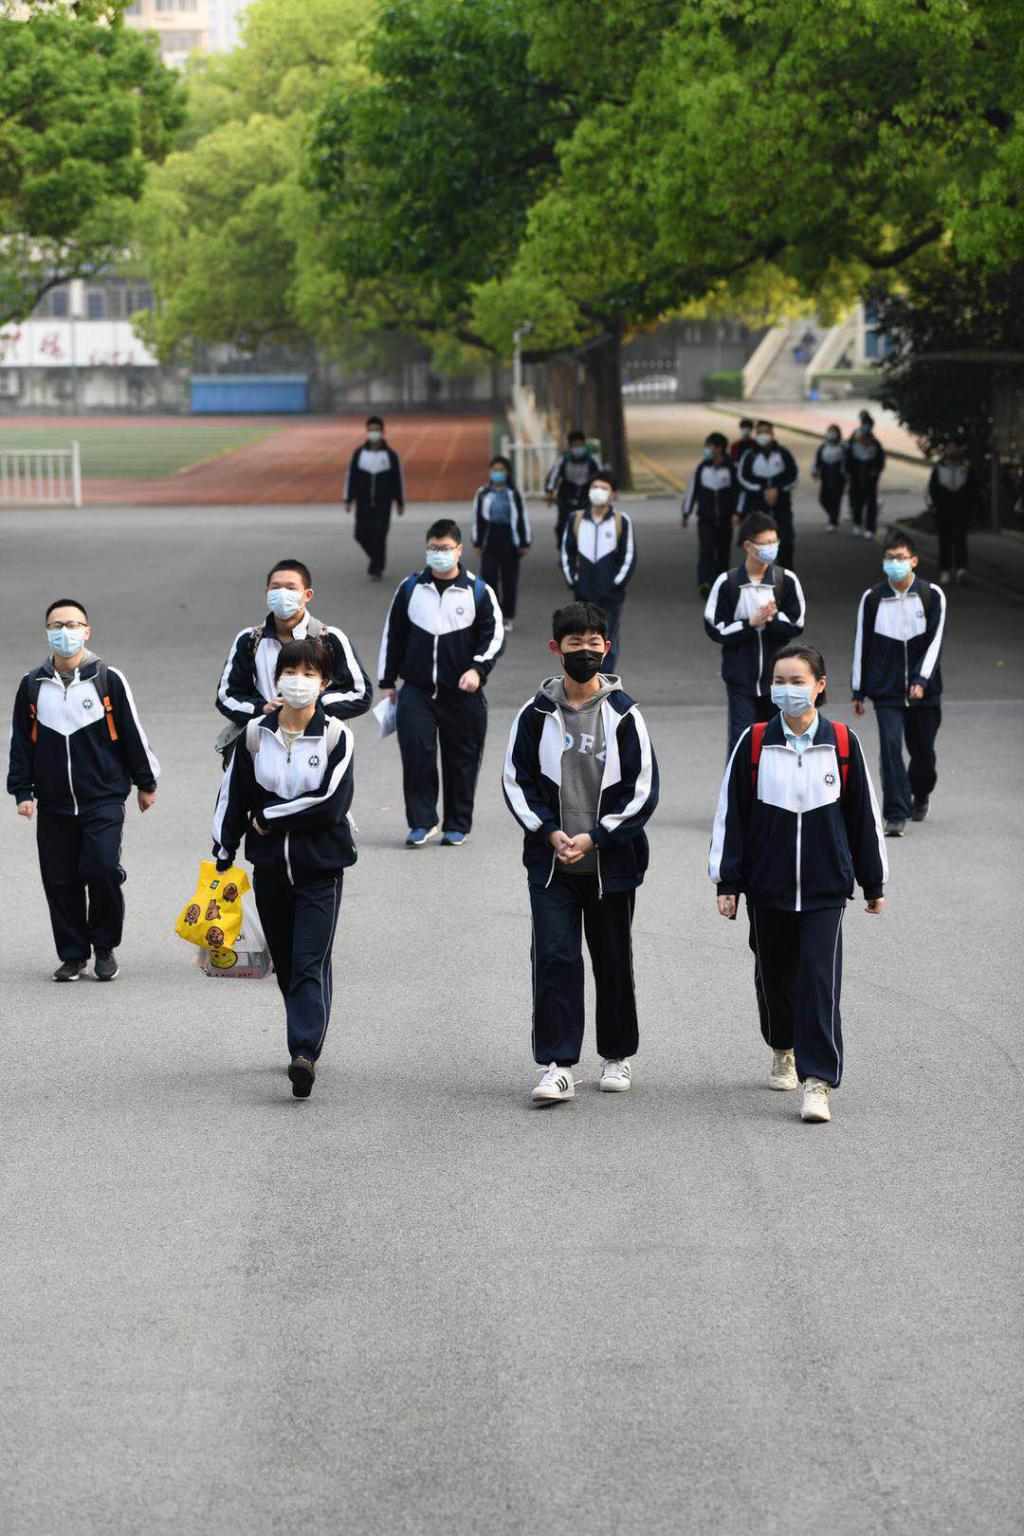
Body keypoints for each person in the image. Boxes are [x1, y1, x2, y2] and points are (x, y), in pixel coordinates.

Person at [709, 642, 887, 1124]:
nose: (787, 690)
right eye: (780, 681)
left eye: (797, 681)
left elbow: (863, 820)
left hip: (827, 889)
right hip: (768, 887)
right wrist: (728, 882)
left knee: (819, 981)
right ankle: (781, 1046)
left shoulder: (843, 744)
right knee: (775, 978)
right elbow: (732, 818)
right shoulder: (753, 743)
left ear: (820, 685)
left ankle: (817, 1080)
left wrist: (873, 882)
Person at [502, 601, 659, 1104]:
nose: (585, 653)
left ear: (606, 648)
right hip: (552, 864)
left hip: (609, 863)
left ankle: (617, 1054)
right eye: (575, 645)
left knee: (613, 960)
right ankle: (558, 1063)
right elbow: (515, 780)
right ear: (556, 649)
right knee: (553, 959)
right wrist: (550, 833)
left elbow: (643, 789)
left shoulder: (625, 714)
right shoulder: (535, 714)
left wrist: (596, 836)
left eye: (594, 645)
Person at [213, 638, 355, 1099]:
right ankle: (306, 1032)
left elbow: (331, 804)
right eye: (290, 672)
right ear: (277, 679)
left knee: (309, 960)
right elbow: (233, 797)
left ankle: (303, 1052)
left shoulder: (336, 736)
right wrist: (223, 850)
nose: (299, 682)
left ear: (325, 682)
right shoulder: (254, 734)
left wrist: (270, 815)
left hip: (321, 869)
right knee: (290, 965)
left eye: (309, 674)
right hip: (270, 869)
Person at [7, 599, 160, 982]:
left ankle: (105, 946)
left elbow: (131, 734)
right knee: (59, 879)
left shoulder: (107, 679)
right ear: (47, 631)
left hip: (103, 797)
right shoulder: (31, 686)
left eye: (73, 625)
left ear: (87, 631)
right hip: (55, 803)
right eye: (57, 625)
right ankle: (73, 955)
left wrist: (146, 782)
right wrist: (22, 792)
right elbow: (21, 743)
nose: (65, 632)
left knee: (102, 867)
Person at [378, 518, 504, 847]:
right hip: (417, 691)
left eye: (445, 549)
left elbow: (493, 637)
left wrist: (477, 669)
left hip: (463, 693)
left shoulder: (478, 590)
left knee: (461, 760)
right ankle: (422, 821)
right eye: (433, 548)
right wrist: (387, 680)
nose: (438, 554)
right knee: (417, 754)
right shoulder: (410, 588)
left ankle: (457, 824)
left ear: (459, 550)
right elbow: (393, 635)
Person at [216, 558, 371, 762]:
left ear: (307, 595)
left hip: (317, 748)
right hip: (262, 746)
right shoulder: (249, 640)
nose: (282, 594)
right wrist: (262, 709)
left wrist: (313, 705)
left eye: (291, 588)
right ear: (267, 593)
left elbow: (360, 694)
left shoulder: (330, 639)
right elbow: (227, 696)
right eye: (276, 587)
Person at [851, 533, 946, 837]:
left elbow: (935, 643)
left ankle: (921, 793)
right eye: (890, 558)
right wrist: (859, 690)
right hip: (887, 690)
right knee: (890, 748)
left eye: (901, 558)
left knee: (923, 754)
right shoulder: (873, 598)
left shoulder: (932, 595)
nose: (895, 563)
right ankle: (895, 811)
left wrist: (921, 680)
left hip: (925, 693)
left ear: (914, 561)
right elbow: (861, 644)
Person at [704, 512, 806, 755]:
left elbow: (797, 622)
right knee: (742, 743)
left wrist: (772, 620)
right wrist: (750, 623)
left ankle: (773, 793)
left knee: (777, 743)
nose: (772, 548)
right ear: (748, 545)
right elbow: (714, 627)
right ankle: (738, 792)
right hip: (741, 679)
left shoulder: (785, 580)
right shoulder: (728, 583)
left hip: (778, 681)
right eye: (765, 543)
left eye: (775, 542)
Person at [560, 470, 636, 673]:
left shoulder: (621, 521)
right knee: (583, 638)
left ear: (612, 494)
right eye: (595, 487)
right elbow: (567, 552)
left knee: (607, 638)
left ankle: (605, 680)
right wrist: (573, 580)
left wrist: (616, 584)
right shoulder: (575, 519)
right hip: (583, 593)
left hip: (611, 595)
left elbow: (628, 556)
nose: (598, 492)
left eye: (604, 488)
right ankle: (587, 678)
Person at [471, 455, 531, 632]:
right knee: (488, 578)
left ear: (508, 473)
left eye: (501, 470)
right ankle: (493, 614)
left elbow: (523, 518)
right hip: (490, 540)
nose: (498, 473)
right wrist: (477, 541)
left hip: (510, 541)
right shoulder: (483, 493)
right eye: (494, 470)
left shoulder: (514, 494)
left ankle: (507, 616)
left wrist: (525, 541)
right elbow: (477, 518)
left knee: (509, 580)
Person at [343, 415, 405, 580]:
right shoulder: (359, 453)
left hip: (383, 503)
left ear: (382, 432)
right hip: (363, 502)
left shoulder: (391, 456)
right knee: (360, 534)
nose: (373, 433)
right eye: (371, 430)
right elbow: (352, 477)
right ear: (367, 431)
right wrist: (348, 499)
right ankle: (376, 559)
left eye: (376, 430)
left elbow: (397, 479)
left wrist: (399, 502)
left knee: (379, 535)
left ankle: (376, 567)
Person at [682, 431, 741, 594]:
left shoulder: (731, 468)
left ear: (720, 448)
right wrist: (686, 513)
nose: (708, 449)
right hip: (706, 518)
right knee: (706, 550)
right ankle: (704, 583)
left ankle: (721, 584)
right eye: (707, 446)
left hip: (725, 518)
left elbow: (738, 492)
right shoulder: (702, 468)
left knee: (723, 552)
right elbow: (692, 491)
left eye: (711, 446)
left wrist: (738, 513)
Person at [737, 420, 799, 568]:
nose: (763, 436)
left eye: (766, 432)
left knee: (786, 543)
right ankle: (759, 581)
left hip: (782, 507)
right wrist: (761, 490)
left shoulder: (783, 454)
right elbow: (742, 478)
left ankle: (786, 580)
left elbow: (794, 476)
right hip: (758, 508)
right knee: (759, 546)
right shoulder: (749, 455)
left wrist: (778, 490)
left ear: (772, 434)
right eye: (760, 433)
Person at [927, 442, 977, 584]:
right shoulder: (939, 469)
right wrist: (933, 505)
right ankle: (945, 569)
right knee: (945, 539)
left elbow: (972, 491)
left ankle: (961, 568)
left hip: (961, 509)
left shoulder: (966, 470)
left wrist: (971, 508)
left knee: (960, 539)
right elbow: (932, 489)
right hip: (943, 509)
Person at [544, 430, 601, 549]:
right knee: (562, 527)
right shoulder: (563, 460)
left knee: (590, 526)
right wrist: (549, 492)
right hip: (566, 498)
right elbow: (553, 476)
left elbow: (603, 477)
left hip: (586, 498)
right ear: (569, 447)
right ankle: (564, 551)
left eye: (581, 445)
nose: (578, 448)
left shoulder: (592, 460)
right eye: (575, 446)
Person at [847, 422, 886, 540]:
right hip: (856, 478)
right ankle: (857, 524)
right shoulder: (853, 446)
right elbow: (848, 462)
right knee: (856, 502)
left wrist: (876, 471)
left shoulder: (876, 446)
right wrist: (849, 473)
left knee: (871, 504)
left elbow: (880, 461)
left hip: (870, 479)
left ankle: (870, 528)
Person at [811, 424, 847, 531]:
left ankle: (833, 521)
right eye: (830, 431)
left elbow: (847, 463)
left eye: (834, 432)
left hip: (838, 478)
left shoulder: (842, 448)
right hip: (826, 477)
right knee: (823, 499)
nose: (832, 434)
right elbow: (817, 462)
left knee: (836, 499)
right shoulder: (823, 447)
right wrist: (815, 472)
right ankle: (833, 515)